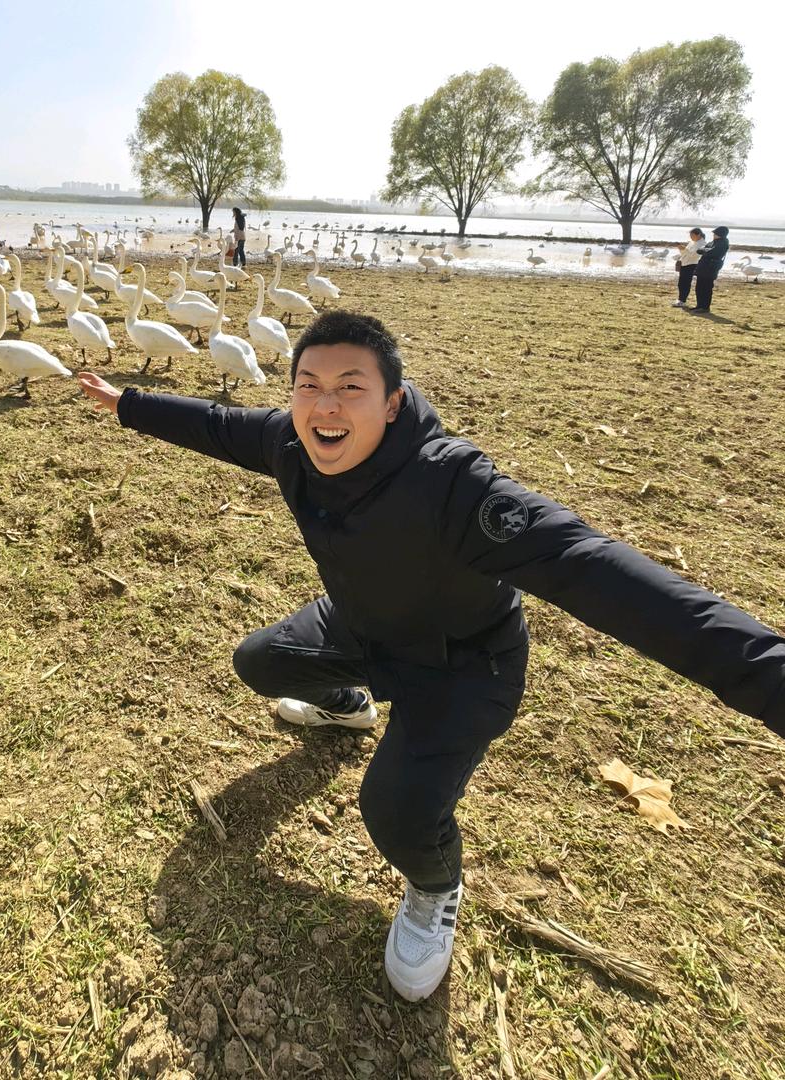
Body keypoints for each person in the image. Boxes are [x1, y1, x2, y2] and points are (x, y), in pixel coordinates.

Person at [75, 311, 785, 1003]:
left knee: (395, 813)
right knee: (260, 662)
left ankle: (436, 887)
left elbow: (591, 564)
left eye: (351, 386)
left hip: (462, 668)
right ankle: (349, 707)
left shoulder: (453, 485)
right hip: (361, 629)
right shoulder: (290, 441)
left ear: (394, 403)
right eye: (308, 385)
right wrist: (129, 403)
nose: (325, 405)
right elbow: (217, 425)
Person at [692, 225, 730, 314]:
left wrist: (705, 250)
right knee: (699, 287)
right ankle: (699, 305)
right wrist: (705, 250)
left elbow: (712, 252)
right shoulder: (713, 242)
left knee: (707, 288)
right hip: (703, 267)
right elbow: (700, 250)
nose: (714, 235)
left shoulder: (723, 243)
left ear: (720, 234)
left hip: (710, 268)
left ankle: (705, 307)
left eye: (715, 233)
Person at [672, 227, 704, 308]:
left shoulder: (702, 244)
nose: (691, 237)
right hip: (684, 263)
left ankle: (682, 300)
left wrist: (684, 249)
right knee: (681, 283)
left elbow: (694, 256)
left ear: (698, 235)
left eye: (692, 235)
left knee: (686, 283)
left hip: (692, 264)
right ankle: (680, 299)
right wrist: (681, 249)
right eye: (690, 235)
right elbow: (685, 253)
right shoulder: (692, 242)